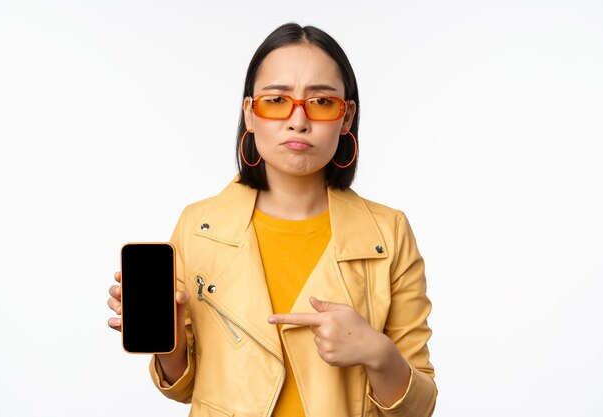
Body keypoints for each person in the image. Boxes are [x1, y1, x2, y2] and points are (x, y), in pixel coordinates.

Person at [107, 22, 437, 417]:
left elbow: (419, 407)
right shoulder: (199, 227)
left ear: (346, 118)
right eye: (277, 100)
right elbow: (186, 388)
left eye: (321, 102)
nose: (298, 120)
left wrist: (378, 352)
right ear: (249, 113)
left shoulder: (389, 233)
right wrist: (172, 343)